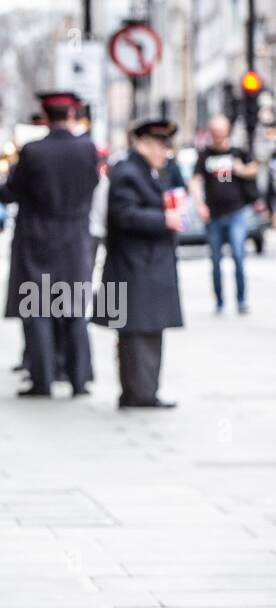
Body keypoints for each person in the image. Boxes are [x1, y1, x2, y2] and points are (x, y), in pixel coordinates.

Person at [2, 91, 100, 398]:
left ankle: (42, 380)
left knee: (39, 308)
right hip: (74, 238)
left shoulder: (33, 151)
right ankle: (79, 379)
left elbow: (12, 191)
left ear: (45, 117)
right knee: (73, 308)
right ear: (71, 115)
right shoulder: (88, 149)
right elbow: (92, 184)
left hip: (38, 236)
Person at [95, 118, 185, 409]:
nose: (164, 153)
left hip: (146, 266)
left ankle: (144, 391)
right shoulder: (128, 172)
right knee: (136, 334)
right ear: (143, 143)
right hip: (134, 267)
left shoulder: (150, 172)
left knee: (149, 331)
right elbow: (123, 215)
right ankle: (138, 393)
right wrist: (163, 220)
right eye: (160, 145)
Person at [190, 114, 259, 315]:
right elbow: (195, 180)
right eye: (215, 132)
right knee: (215, 259)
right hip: (214, 215)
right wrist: (199, 204)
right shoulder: (204, 155)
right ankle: (219, 301)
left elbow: (254, 168)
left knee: (238, 255)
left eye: (221, 131)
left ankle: (241, 299)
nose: (218, 136)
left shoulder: (237, 151)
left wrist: (241, 169)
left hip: (236, 212)